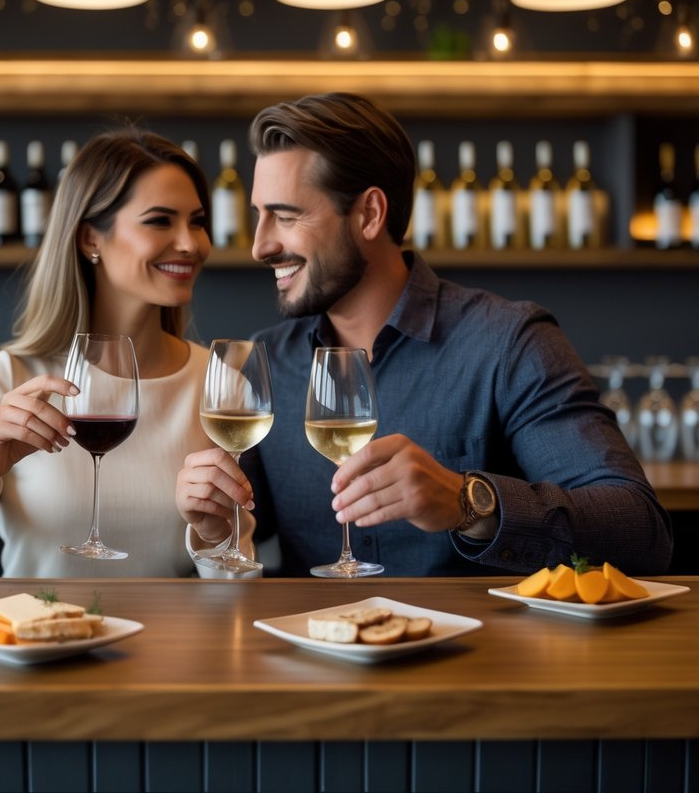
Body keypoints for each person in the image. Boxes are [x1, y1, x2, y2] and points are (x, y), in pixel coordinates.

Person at [175, 93, 672, 577]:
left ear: (369, 214)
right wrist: (214, 524)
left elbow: (641, 530)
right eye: (258, 215)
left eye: (285, 216)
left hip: (479, 656)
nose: (261, 245)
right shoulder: (268, 363)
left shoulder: (509, 343)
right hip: (311, 650)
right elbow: (238, 540)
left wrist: (470, 502)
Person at [0, 129, 244, 577]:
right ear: (90, 238)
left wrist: (213, 535)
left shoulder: (219, 387)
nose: (190, 243)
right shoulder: (9, 380)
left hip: (172, 647)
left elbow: (237, 594)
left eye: (197, 221)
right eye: (160, 221)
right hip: (39, 641)